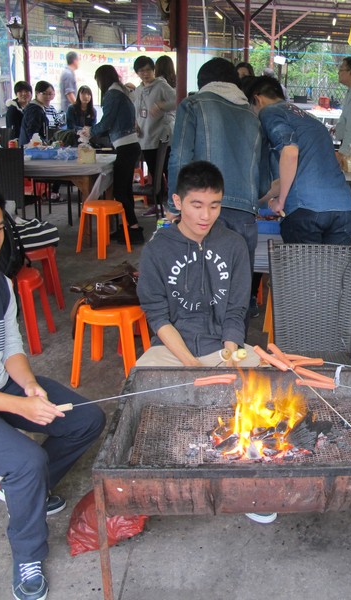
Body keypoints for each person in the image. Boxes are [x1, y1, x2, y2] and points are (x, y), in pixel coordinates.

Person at [0, 179, 106, 600]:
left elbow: (10, 346)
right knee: (27, 460)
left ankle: (20, 490)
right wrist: (20, 405)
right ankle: (27, 553)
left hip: (0, 383)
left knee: (87, 418)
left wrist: (30, 387)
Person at [137, 160, 259, 369]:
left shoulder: (234, 245)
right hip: (170, 351)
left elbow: (236, 310)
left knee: (265, 389)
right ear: (178, 201)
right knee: (142, 388)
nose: (206, 216)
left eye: (214, 205)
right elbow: (157, 314)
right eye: (197, 205)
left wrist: (229, 357)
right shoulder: (156, 250)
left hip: (222, 347)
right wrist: (192, 365)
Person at [167, 57, 265, 286]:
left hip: (204, 211)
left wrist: (174, 205)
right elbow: (262, 178)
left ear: (203, 84)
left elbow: (179, 158)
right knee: (237, 292)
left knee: (202, 292)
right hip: (245, 214)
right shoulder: (253, 117)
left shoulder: (193, 105)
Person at [248, 75, 351, 244]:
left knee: (303, 271)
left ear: (257, 99)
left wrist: (281, 201)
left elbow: (290, 152)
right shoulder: (308, 119)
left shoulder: (270, 112)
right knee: (334, 270)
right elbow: (288, 178)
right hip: (343, 210)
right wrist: (264, 201)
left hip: (306, 211)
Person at [84, 64, 144, 245]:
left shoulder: (112, 94)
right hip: (131, 145)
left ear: (102, 80)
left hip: (125, 146)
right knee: (124, 189)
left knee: (120, 190)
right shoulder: (123, 92)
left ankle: (134, 229)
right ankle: (127, 228)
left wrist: (89, 131)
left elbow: (106, 123)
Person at [132, 55, 176, 217]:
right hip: (145, 137)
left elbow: (178, 100)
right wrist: (136, 124)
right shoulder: (138, 90)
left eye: (149, 70)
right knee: (154, 174)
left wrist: (161, 105)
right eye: (142, 70)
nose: (145, 73)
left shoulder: (161, 85)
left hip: (162, 137)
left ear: (154, 70)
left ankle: (171, 206)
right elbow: (137, 111)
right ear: (137, 72)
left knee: (166, 171)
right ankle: (158, 205)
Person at [19, 81, 55, 147]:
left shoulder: (40, 107)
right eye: (44, 94)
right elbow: (33, 134)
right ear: (37, 93)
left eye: (50, 94)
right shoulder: (34, 109)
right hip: (30, 150)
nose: (48, 97)